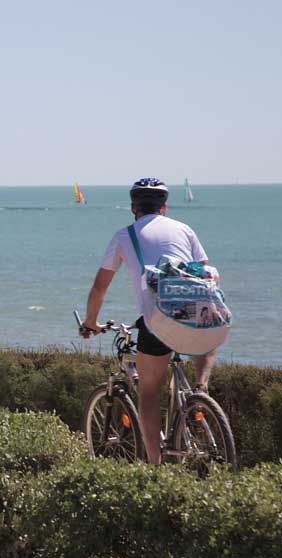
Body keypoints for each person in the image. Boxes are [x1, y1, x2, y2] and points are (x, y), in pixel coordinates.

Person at [79, 178, 216, 464]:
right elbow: (205, 275)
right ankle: (200, 390)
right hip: (198, 315)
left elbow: (99, 287)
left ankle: (155, 467)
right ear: (164, 207)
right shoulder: (184, 229)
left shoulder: (124, 236)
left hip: (158, 320)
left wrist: (91, 322)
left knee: (149, 392)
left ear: (133, 208)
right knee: (208, 321)